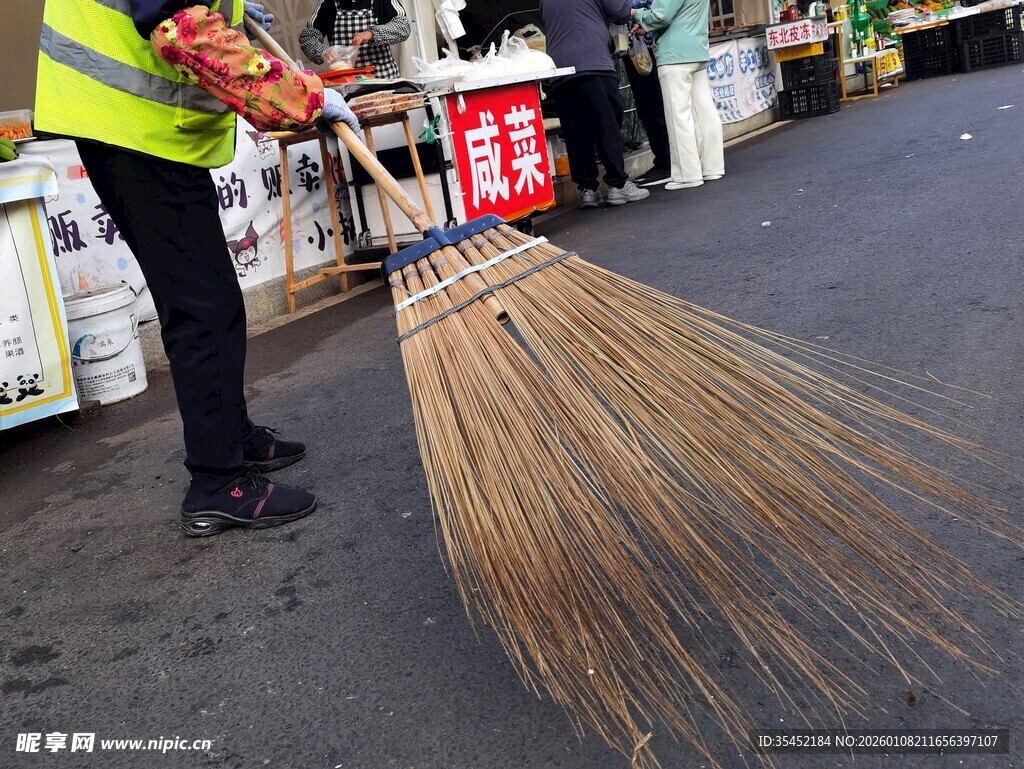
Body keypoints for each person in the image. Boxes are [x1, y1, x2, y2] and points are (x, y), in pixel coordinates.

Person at [35, 0, 360, 536]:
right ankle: (217, 482)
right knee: (200, 307)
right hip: (130, 127)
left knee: (214, 300)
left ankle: (233, 436)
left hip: (145, 128)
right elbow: (182, 31)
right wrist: (306, 99)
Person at [540, 0, 651, 209]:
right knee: (606, 124)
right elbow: (620, 11)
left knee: (575, 130)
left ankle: (587, 189)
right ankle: (618, 185)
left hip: (559, 69)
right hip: (593, 62)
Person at [633, 0, 725, 190]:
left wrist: (636, 13)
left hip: (675, 55)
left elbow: (661, 15)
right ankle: (712, 166)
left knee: (679, 118)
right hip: (698, 49)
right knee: (705, 112)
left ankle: (687, 174)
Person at [625, 0, 673, 187]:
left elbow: (658, 12)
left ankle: (666, 162)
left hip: (648, 47)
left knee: (653, 106)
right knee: (648, 107)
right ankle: (665, 159)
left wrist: (627, 11)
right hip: (635, 49)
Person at [300, 0, 411, 80]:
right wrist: (322, 52)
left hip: (383, 79)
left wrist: (372, 33)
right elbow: (308, 37)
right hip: (346, 83)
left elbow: (403, 26)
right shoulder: (327, 3)